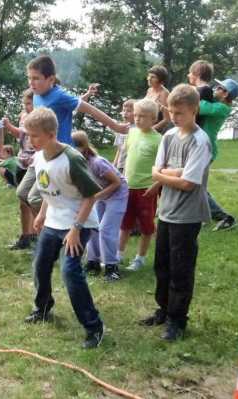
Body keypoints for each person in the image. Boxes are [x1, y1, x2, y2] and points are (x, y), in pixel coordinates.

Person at [23, 107, 104, 349]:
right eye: (28, 135)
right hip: (53, 221)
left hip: (78, 223)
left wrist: (76, 228)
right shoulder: (39, 157)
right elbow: (50, 190)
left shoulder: (71, 159)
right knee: (40, 264)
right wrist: (42, 216)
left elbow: (91, 195)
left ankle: (94, 326)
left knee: (70, 272)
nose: (30, 140)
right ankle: (43, 307)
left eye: (35, 135)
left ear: (50, 134)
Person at [141, 84, 212, 341]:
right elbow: (155, 170)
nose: (174, 117)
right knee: (162, 265)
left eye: (180, 112)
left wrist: (165, 174)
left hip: (188, 214)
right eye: (171, 111)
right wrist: (170, 172)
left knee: (181, 268)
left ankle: (177, 319)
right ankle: (164, 308)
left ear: (194, 110)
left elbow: (188, 183)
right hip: (167, 211)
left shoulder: (200, 141)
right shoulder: (169, 137)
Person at [188, 61, 238, 231]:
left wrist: (196, 91)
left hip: (207, 149)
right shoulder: (220, 104)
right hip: (203, 148)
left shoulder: (222, 108)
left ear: (225, 94)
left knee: (198, 186)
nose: (215, 90)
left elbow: (200, 106)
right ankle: (203, 214)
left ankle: (224, 217)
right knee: (197, 184)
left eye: (219, 89)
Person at [73, 131, 128, 282]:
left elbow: (116, 183)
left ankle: (112, 266)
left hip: (117, 194)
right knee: (92, 226)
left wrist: (95, 197)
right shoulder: (77, 163)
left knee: (106, 229)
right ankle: (93, 262)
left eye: (74, 148)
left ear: (83, 147)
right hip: (100, 195)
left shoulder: (97, 162)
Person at [118, 99, 162, 271]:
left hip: (146, 189)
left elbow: (164, 167)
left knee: (146, 226)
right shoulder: (132, 133)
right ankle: (118, 254)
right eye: (136, 115)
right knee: (125, 223)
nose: (137, 119)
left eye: (142, 116)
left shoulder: (159, 140)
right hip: (128, 187)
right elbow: (128, 157)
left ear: (153, 119)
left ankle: (140, 258)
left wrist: (157, 185)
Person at [3, 89, 38, 250]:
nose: (27, 107)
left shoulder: (41, 116)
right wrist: (9, 126)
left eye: (30, 103)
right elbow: (21, 135)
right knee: (23, 201)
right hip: (22, 160)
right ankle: (26, 236)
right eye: (25, 104)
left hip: (36, 162)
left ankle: (37, 233)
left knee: (33, 199)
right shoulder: (23, 116)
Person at [112, 99, 136, 174]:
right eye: (124, 110)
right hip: (120, 165)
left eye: (129, 111)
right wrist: (114, 166)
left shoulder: (138, 129)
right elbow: (119, 150)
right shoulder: (120, 128)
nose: (125, 113)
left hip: (132, 166)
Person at [145, 65, 171, 133]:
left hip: (156, 131)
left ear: (161, 80)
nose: (149, 79)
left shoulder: (164, 94)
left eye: (153, 77)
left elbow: (167, 119)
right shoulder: (149, 90)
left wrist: (152, 129)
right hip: (145, 126)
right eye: (149, 76)